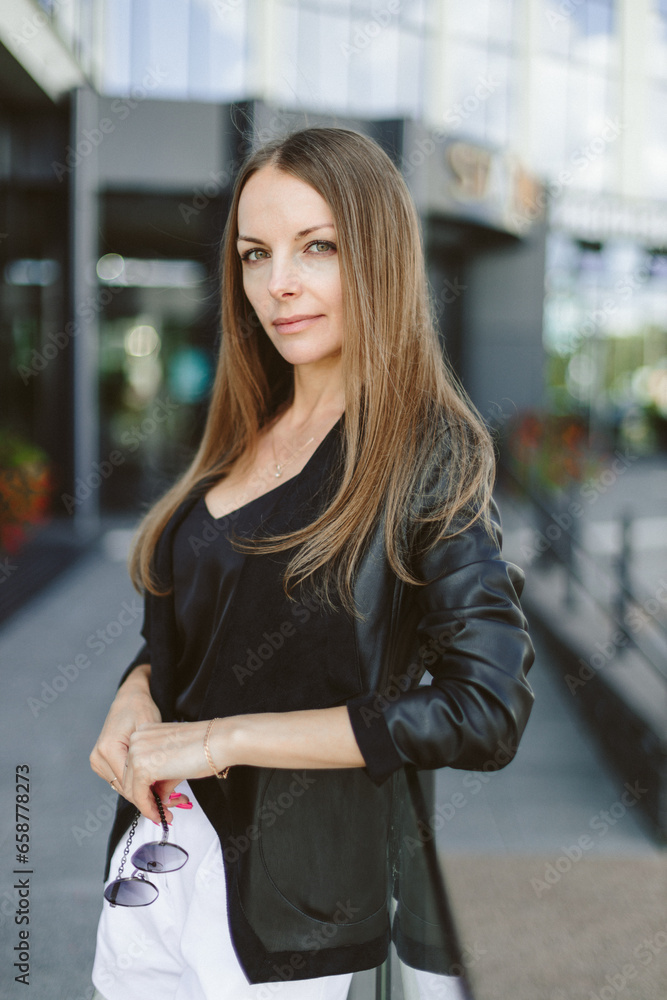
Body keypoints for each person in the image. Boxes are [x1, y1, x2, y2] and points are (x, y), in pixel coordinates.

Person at [88, 126, 535, 1000]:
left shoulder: (423, 455)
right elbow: (176, 637)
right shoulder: (236, 433)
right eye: (256, 254)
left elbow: (485, 708)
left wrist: (224, 740)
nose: (277, 283)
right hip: (158, 866)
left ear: (378, 256)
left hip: (299, 926)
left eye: (317, 246)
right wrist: (131, 700)